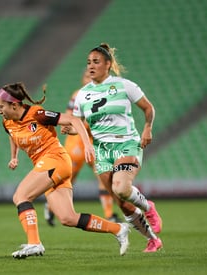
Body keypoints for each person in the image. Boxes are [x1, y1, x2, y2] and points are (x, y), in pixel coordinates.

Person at [0, 82, 130, 258]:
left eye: (1, 106)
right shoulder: (7, 122)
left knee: (21, 196)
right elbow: (13, 135)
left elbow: (73, 120)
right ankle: (119, 229)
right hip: (49, 165)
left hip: (55, 159)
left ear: (14, 105)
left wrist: (87, 145)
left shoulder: (37, 114)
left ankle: (34, 243)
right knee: (68, 218)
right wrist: (14, 157)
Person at [70, 43, 163, 253]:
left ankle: (148, 208)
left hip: (126, 143)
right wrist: (71, 129)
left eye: (96, 62)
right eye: (88, 63)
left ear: (108, 64)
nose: (90, 66)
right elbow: (78, 124)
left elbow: (148, 108)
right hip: (102, 150)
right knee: (122, 203)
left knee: (121, 187)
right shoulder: (82, 95)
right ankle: (153, 240)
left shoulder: (124, 85)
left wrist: (147, 128)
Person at [44, 71, 121, 227]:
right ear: (82, 79)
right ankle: (51, 206)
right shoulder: (78, 95)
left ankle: (109, 215)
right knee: (67, 180)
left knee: (104, 177)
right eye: (87, 76)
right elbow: (68, 118)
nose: (90, 78)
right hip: (76, 142)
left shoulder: (104, 94)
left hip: (96, 142)